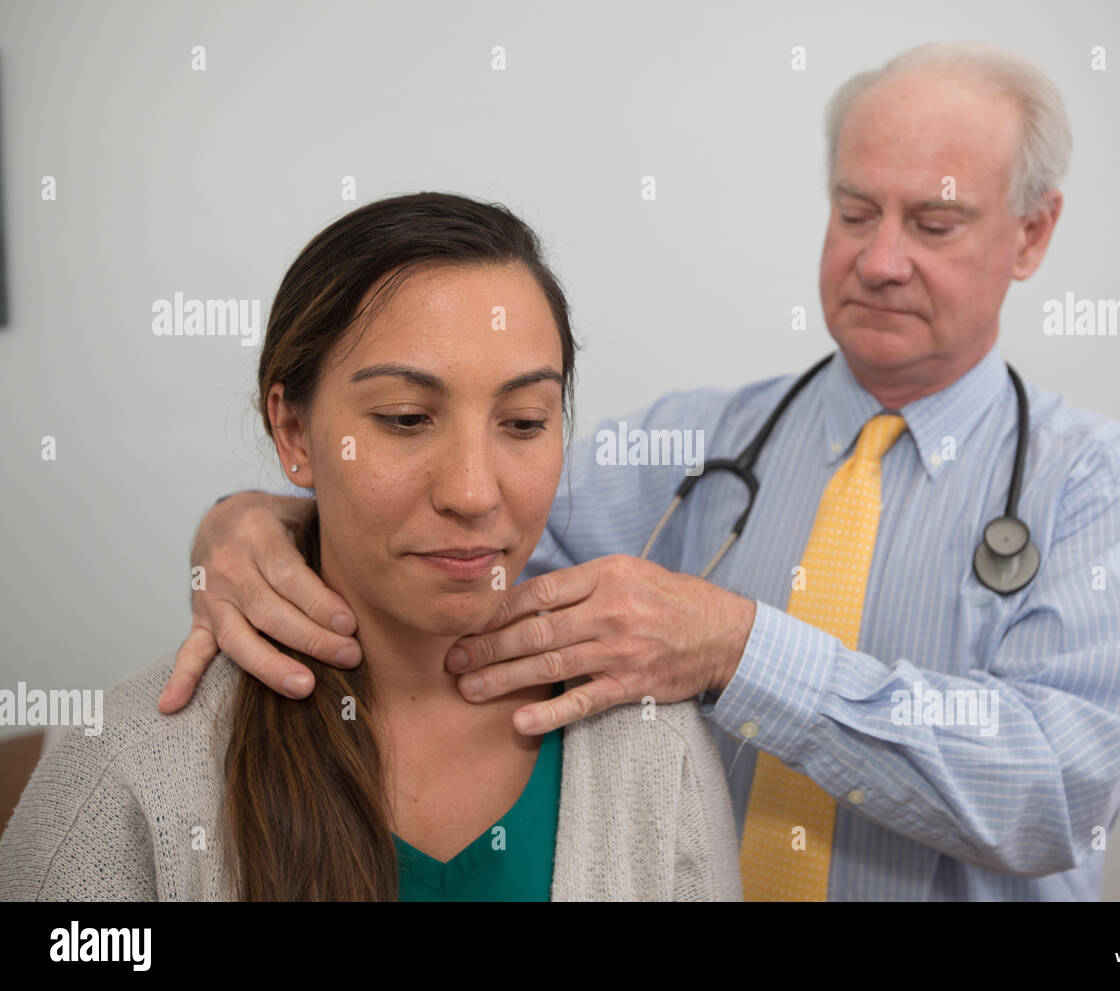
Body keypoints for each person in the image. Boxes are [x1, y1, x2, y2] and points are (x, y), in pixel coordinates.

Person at [164, 42, 1120, 901]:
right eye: (853, 211)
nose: (880, 259)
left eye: (933, 223)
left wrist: (739, 651)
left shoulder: (1104, 487)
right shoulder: (692, 447)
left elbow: (1056, 790)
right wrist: (251, 517)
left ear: (1033, 233)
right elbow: (457, 520)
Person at [0, 192, 742, 901]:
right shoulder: (130, 763)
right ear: (294, 433)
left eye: (522, 422)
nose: (474, 491)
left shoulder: (651, 749)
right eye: (406, 417)